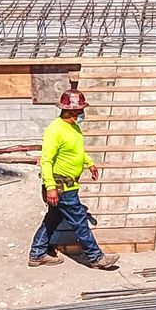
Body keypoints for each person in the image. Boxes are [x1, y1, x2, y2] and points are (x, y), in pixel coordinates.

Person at [28, 91, 119, 270]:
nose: (82, 113)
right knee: (79, 222)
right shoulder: (55, 130)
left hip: (69, 184)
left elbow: (77, 151)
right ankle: (96, 257)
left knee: (53, 219)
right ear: (71, 111)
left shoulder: (74, 128)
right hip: (61, 187)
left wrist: (90, 163)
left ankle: (37, 254)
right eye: (79, 110)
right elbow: (46, 160)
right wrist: (51, 187)